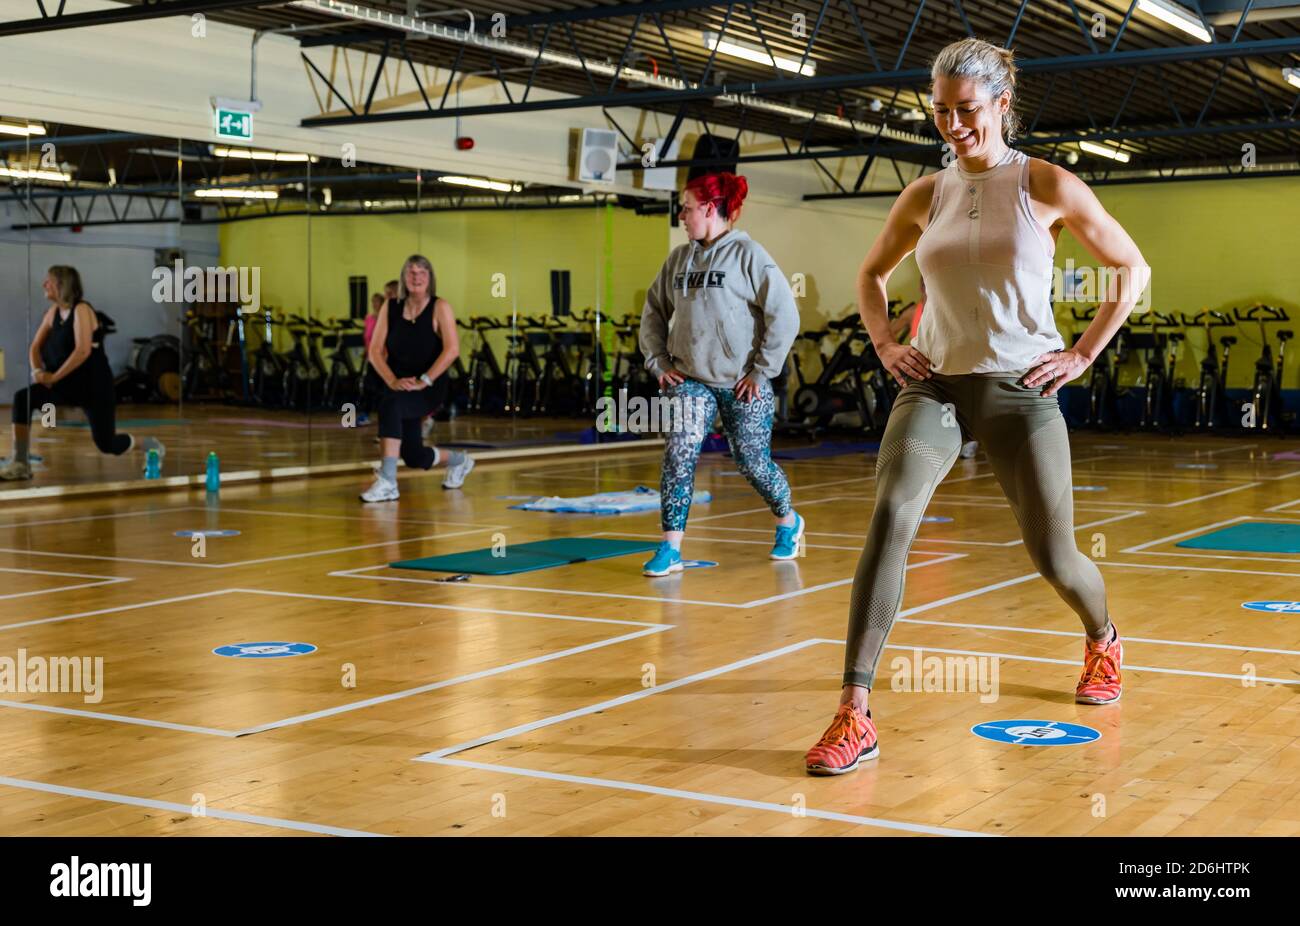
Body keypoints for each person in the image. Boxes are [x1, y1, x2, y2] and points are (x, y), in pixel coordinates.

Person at [804, 37, 1149, 775]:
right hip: (935, 385)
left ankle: (1103, 638)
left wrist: (1083, 353)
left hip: (1021, 391)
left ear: (1001, 103)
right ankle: (853, 712)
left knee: (1056, 558)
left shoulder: (1046, 184)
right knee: (894, 513)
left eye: (967, 110)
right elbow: (871, 275)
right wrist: (886, 344)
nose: (953, 125)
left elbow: (1130, 266)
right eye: (940, 111)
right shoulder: (926, 194)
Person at [638, 171, 801, 576]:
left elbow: (786, 316)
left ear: (711, 209)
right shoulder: (678, 259)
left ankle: (788, 521)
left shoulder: (749, 255)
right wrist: (658, 362)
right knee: (680, 451)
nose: (682, 215)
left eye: (687, 208)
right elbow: (653, 312)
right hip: (690, 379)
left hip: (744, 381)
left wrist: (762, 372)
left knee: (751, 462)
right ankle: (670, 547)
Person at [2, 265, 163, 481]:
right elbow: (35, 346)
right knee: (23, 398)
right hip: (64, 384)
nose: (44, 284)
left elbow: (83, 350)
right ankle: (20, 462)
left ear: (62, 285)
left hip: (93, 385)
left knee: (107, 444)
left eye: (48, 280)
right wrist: (38, 371)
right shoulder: (52, 313)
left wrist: (53, 377)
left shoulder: (82, 310)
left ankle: (151, 446)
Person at [360, 256, 474, 502]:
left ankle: (388, 481)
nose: (416, 277)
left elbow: (452, 349)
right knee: (414, 456)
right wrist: (391, 380)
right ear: (403, 278)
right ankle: (461, 461)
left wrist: (425, 380)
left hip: (428, 386)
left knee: (390, 405)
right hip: (399, 384)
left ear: (430, 278)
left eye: (422, 272)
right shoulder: (390, 308)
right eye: (411, 272)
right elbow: (375, 351)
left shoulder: (439, 306)